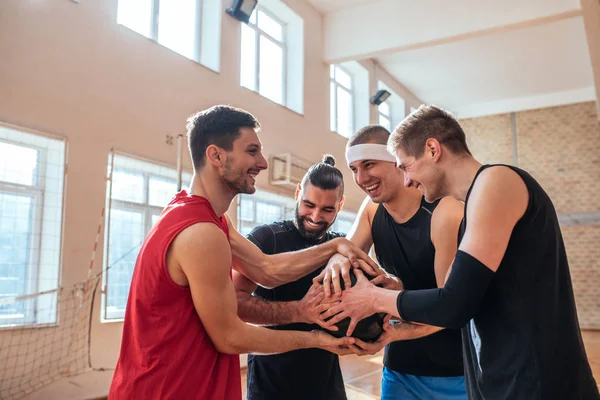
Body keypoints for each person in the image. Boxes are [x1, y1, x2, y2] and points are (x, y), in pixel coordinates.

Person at [320, 105, 600, 399]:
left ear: (432, 149)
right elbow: (465, 300)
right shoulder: (474, 207)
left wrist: (374, 298)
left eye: (405, 166)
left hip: (540, 384)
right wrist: (396, 318)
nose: (407, 181)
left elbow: (453, 303)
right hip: (499, 380)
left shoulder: (497, 181)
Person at [109, 105, 377, 400]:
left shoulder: (210, 218)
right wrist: (314, 338)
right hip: (168, 389)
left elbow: (266, 270)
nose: (262, 162)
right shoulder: (201, 233)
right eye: (252, 151)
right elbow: (231, 337)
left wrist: (335, 246)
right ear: (216, 155)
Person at [316, 125, 466, 400]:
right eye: (354, 169)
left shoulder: (445, 211)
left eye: (369, 164)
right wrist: (337, 259)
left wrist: (391, 332)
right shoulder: (373, 209)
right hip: (399, 370)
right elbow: (347, 250)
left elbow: (451, 307)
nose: (361, 178)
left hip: (454, 372)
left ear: (396, 160)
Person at [233, 155, 349, 400]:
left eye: (327, 209)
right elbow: (235, 302)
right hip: (271, 384)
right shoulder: (267, 239)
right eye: (309, 204)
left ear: (340, 205)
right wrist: (298, 311)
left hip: (326, 383)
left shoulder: (341, 247)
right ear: (297, 193)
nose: (316, 217)